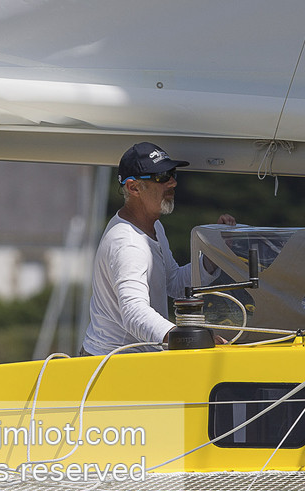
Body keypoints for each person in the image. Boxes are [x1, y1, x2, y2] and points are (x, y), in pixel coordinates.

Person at [81, 143, 234, 354]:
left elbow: (173, 282)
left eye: (172, 173)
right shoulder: (128, 243)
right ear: (133, 188)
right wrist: (186, 338)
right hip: (112, 366)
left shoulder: (153, 227)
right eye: (161, 177)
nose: (172, 182)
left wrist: (213, 256)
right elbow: (134, 312)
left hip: (130, 362)